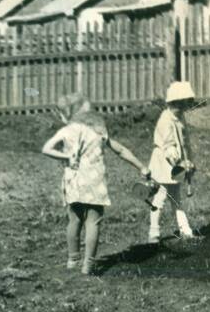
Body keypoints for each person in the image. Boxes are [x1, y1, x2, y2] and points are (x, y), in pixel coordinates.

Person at [41, 93, 151, 275]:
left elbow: (46, 148)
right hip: (94, 181)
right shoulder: (98, 131)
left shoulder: (67, 131)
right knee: (94, 221)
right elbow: (121, 150)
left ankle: (72, 259)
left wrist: (67, 156)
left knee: (74, 220)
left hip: (73, 181)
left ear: (67, 114)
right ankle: (88, 264)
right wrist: (141, 166)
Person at [148, 81, 197, 243]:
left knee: (176, 197)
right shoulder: (165, 120)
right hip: (164, 163)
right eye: (184, 103)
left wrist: (188, 160)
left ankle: (185, 229)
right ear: (175, 102)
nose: (186, 106)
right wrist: (179, 161)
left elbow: (185, 142)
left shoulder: (180, 118)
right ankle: (154, 232)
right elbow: (168, 145)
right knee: (160, 197)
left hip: (177, 164)